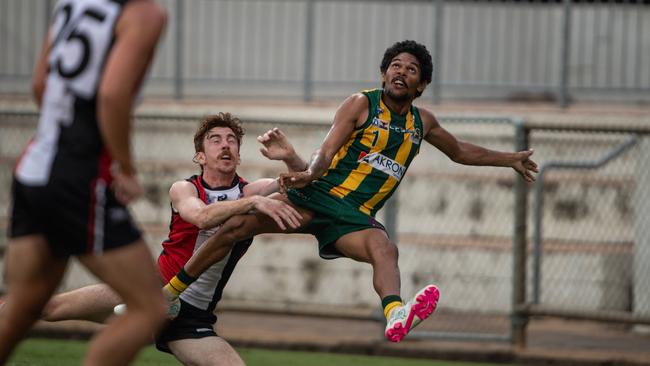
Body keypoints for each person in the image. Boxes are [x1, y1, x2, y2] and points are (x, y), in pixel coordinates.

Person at [161, 40, 539, 343]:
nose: (401, 71)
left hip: (352, 217)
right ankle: (171, 292)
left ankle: (395, 314)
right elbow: (326, 151)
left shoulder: (423, 122)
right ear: (383, 73)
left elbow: (460, 152)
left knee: (385, 249)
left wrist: (510, 158)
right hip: (316, 195)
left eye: (411, 69)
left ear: (421, 85)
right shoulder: (362, 103)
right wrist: (308, 173)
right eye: (395, 65)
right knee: (236, 227)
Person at [32, 114, 307, 366]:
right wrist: (253, 203)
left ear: (238, 155)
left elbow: (305, 181)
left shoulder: (251, 191)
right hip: (149, 292)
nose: (225, 145)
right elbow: (202, 217)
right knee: (47, 307)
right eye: (215, 140)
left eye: (232, 141)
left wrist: (291, 157)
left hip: (190, 317)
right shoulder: (185, 188)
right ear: (199, 157)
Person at [0, 0, 168, 365]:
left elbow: (41, 83)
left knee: (26, 300)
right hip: (78, 174)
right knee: (148, 307)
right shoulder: (145, 13)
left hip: (33, 165)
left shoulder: (72, 5)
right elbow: (112, 94)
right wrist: (125, 165)